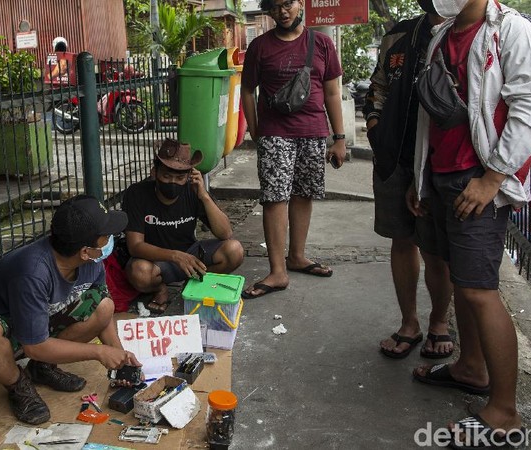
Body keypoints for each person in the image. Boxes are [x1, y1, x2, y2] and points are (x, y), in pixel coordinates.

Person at [408, 0, 531, 444]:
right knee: (460, 281)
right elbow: (429, 116)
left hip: (479, 180)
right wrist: (421, 179)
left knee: (478, 290)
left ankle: (504, 413)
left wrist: (492, 178)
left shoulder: (511, 31)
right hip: (443, 177)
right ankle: (471, 369)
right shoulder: (441, 36)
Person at [0, 195, 142, 425]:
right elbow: (35, 346)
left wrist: (120, 358)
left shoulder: (91, 263)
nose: (112, 239)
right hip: (6, 333)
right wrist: (99, 353)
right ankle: (17, 384)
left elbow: (103, 311)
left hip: (41, 323)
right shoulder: (33, 272)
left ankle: (42, 369)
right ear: (84, 251)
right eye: (106, 237)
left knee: (103, 305)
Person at [363, 3, 455, 359]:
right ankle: (409, 324)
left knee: (435, 249)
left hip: (440, 161)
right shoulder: (400, 34)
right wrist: (376, 130)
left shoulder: (464, 32)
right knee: (401, 240)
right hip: (395, 157)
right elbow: (379, 85)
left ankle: (440, 324)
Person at [239, 0, 347, 299]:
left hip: (313, 131)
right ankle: (277, 271)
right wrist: (256, 128)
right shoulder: (260, 47)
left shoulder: (322, 43)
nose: (282, 12)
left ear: (300, 3)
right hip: (275, 133)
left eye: (287, 3)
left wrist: (338, 138)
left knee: (303, 193)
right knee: (275, 198)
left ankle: (297, 256)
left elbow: (332, 91)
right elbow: (247, 89)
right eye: (274, 7)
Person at [120, 139, 244, 314]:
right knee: (138, 272)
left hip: (191, 253)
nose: (173, 182)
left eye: (179, 178)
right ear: (154, 173)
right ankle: (160, 288)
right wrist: (175, 256)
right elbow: (135, 246)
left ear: (189, 176)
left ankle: (191, 285)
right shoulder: (137, 194)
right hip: (155, 260)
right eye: (166, 176)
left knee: (234, 250)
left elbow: (225, 233)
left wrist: (204, 195)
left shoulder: (193, 190)